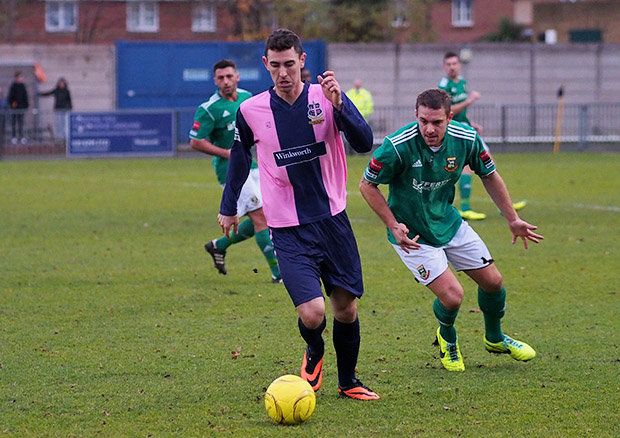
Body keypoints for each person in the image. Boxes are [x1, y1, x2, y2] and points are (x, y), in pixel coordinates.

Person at [218, 29, 379, 400]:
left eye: (289, 64)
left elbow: (364, 142)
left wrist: (342, 106)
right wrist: (228, 207)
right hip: (287, 229)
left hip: (333, 221)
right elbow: (240, 159)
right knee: (312, 313)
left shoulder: (326, 96)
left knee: (346, 309)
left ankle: (348, 381)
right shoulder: (251, 110)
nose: (283, 73)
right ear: (265, 65)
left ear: (302, 61)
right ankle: (314, 349)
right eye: (275, 66)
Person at [359, 88, 543, 372]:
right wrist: (393, 225)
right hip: (412, 235)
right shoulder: (397, 146)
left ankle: (495, 338)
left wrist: (512, 219)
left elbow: (490, 175)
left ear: (450, 118)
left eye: (437, 122)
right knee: (453, 296)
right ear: (415, 116)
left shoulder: (466, 139)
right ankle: (447, 336)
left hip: (448, 222)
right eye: (423, 121)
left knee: (493, 283)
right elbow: (366, 184)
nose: (429, 129)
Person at [189, 59, 281, 283]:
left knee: (266, 215)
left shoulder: (246, 97)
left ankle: (218, 246)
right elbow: (195, 141)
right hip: (230, 170)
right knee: (261, 217)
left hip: (253, 165)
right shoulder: (209, 109)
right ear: (215, 81)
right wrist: (227, 153)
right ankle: (279, 275)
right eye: (221, 78)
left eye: (229, 76)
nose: (226, 81)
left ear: (237, 77)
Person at [439, 52, 526, 220]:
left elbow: (460, 112)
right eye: (448, 64)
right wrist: (470, 101)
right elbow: (447, 111)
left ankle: (503, 205)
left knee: (488, 163)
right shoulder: (444, 86)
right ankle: (466, 207)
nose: (452, 67)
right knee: (468, 165)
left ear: (460, 65)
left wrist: (471, 123)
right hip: (453, 131)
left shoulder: (461, 82)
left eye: (454, 63)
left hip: (464, 127)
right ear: (444, 67)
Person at [7, 71, 29, 144]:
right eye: (19, 77)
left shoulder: (23, 86)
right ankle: (14, 137)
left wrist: (26, 105)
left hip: (21, 108)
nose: (21, 79)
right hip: (14, 109)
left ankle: (22, 137)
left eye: (21, 77)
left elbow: (25, 97)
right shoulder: (13, 86)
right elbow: (10, 97)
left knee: (21, 123)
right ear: (16, 78)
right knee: (14, 123)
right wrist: (13, 104)